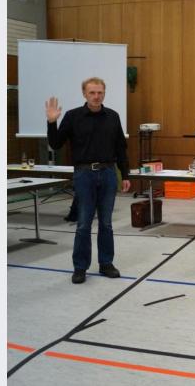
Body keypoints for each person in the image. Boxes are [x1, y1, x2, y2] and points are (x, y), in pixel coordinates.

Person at [46, 77, 131, 284]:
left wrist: (125, 175)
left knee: (106, 223)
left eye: (100, 92)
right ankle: (80, 267)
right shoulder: (73, 116)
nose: (96, 96)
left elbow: (121, 148)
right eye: (92, 92)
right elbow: (56, 144)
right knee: (83, 223)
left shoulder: (113, 116)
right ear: (84, 94)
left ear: (104, 93)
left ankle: (106, 263)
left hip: (108, 174)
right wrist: (51, 122)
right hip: (84, 175)